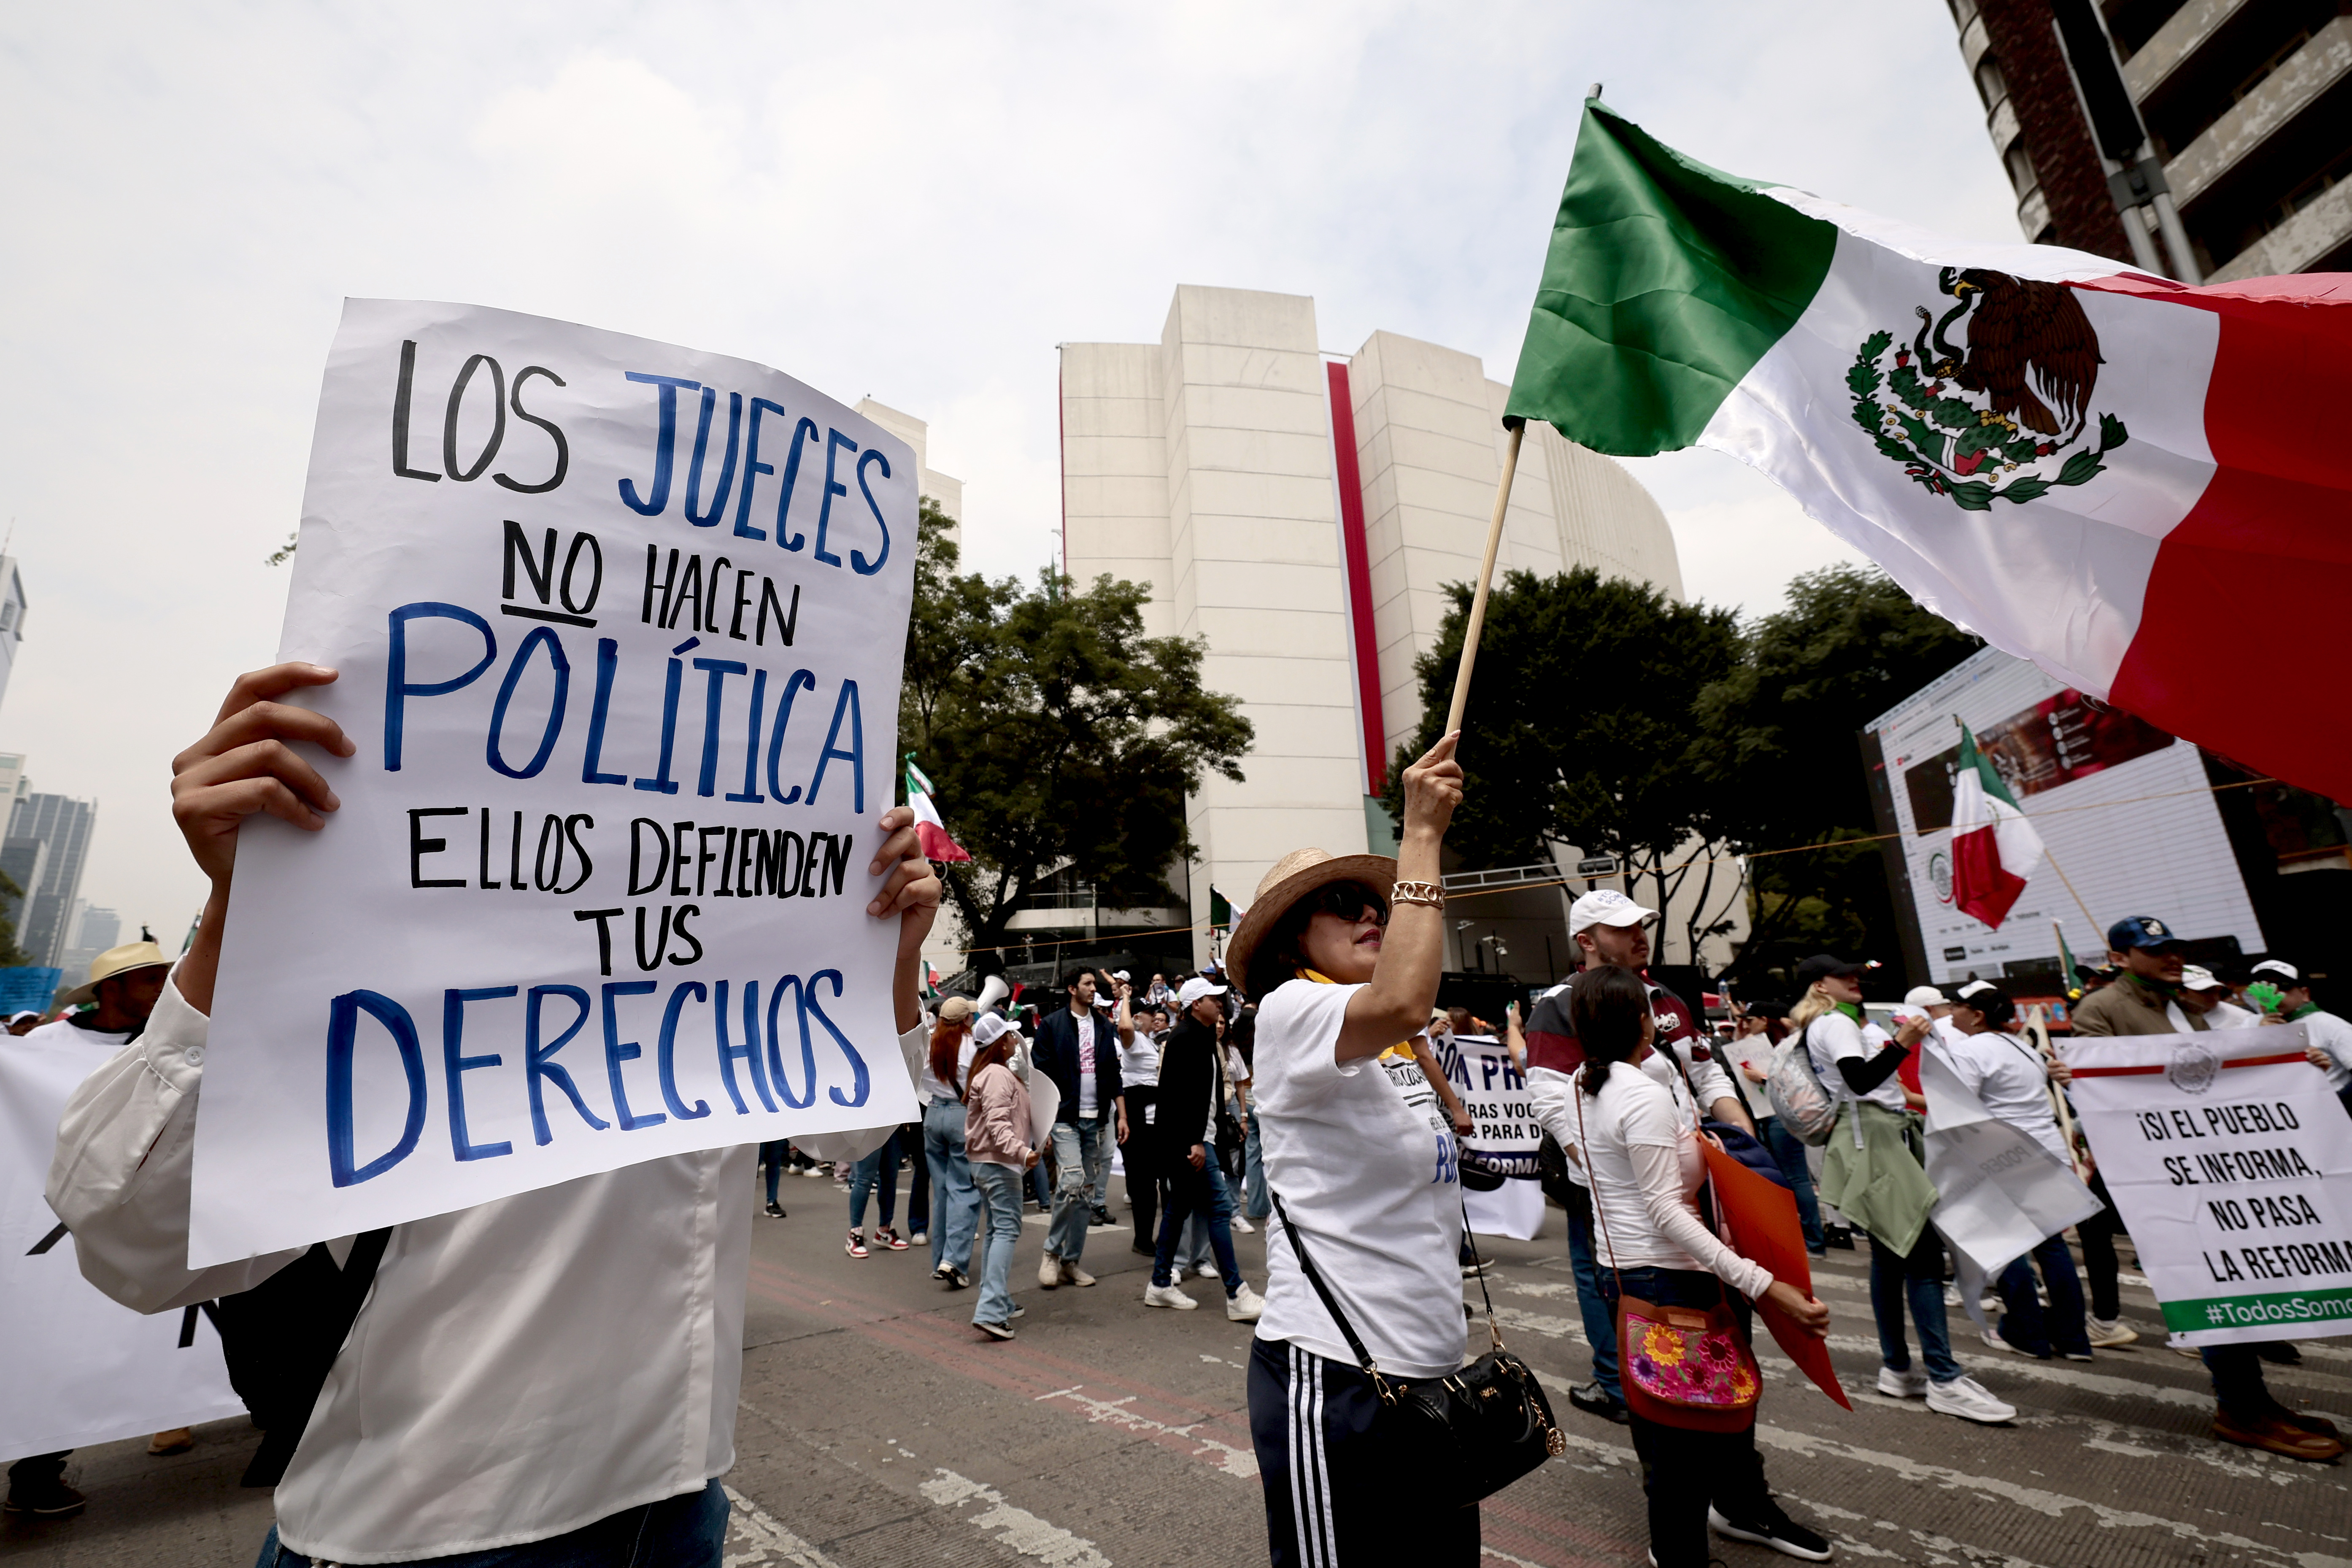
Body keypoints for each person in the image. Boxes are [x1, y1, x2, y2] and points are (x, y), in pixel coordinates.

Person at [47, 661, 943, 1565]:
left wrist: (888, 952)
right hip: (424, 1530)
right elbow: (138, 1241)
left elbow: (846, 1130)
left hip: (675, 1504)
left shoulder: (723, 946)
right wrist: (245, 902)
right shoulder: (383, 941)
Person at [1230, 735, 1482, 1566]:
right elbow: (1409, 995)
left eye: (1369, 898)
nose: (1370, 910)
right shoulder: (1290, 1011)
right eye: (1342, 899)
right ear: (1287, 940)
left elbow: (1407, 1018)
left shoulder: (1382, 1041)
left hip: (1431, 1372)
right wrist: (1420, 835)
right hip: (1335, 1378)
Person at [1566, 966, 1834, 1567]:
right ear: (1642, 1021)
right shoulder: (1637, 1094)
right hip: (1669, 1278)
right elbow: (1665, 1210)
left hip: (1628, 1273)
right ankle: (1679, 1555)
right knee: (1684, 1445)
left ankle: (1711, 1527)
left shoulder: (1583, 1084)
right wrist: (1763, 1284)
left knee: (1687, 1430)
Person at [2071, 921, 2344, 1460]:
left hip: (2216, 1170)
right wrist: (2076, 1076)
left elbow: (2219, 1078)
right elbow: (2105, 1087)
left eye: (2175, 949)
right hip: (2164, 1173)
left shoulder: (2187, 1007)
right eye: (2156, 951)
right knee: (2208, 1287)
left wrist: (2293, 1065)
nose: (2172, 958)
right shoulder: (2099, 1009)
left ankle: (2255, 1402)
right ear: (2120, 957)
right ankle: (2239, 1409)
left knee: (2234, 1283)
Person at [1523, 890, 1752, 1424]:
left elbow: (1705, 1072)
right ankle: (1621, 1382)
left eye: (1640, 925)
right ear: (1587, 941)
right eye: (1622, 928)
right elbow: (1550, 1099)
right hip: (1608, 1188)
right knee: (1614, 1281)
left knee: (1695, 1293)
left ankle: (1683, 1394)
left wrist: (1741, 1134)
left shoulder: (1666, 996)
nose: (1638, 935)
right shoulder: (1561, 1003)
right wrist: (1596, 1167)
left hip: (1691, 1169)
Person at [1795, 953, 2015, 1424]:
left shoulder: (1843, 1022)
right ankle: (1943, 1378)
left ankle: (1899, 1368)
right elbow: (1859, 1081)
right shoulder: (1835, 1024)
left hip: (1876, 1137)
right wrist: (1901, 1043)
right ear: (1820, 986)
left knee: (1893, 1258)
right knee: (1919, 1258)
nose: (1855, 978)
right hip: (1872, 1139)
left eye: (1854, 972)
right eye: (1844, 974)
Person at [4, 940, 179, 1519]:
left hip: (159, 1213)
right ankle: (37, 1474)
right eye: (150, 979)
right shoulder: (42, 1048)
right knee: (68, 1340)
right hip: (58, 1228)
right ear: (110, 991)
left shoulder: (171, 1041)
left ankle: (221, 1405)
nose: (162, 989)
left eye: (164, 978)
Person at [1940, 982, 2092, 1362]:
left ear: (1976, 1015)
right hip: (2045, 1150)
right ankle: (2073, 1338)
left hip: (2002, 1155)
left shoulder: (1969, 1049)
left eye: (1956, 1006)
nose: (1950, 1012)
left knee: (2009, 1245)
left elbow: (1961, 1108)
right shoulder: (2024, 1047)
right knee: (2052, 1246)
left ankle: (2027, 1333)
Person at [1143, 977, 1266, 1320]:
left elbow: (1206, 1093)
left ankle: (1159, 1283)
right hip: (1192, 1141)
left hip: (1201, 1138)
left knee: (1180, 1207)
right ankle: (1236, 1292)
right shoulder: (1185, 1038)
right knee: (1218, 1207)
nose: (1221, 1004)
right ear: (1196, 1004)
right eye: (1214, 999)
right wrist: (1195, 1140)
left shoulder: (1201, 1037)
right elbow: (1177, 1095)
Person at [1030, 968, 1129, 1288]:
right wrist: (1041, 1124)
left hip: (1097, 1119)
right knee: (1071, 1181)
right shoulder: (1052, 1025)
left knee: (1086, 1194)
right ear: (1072, 988)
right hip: (1064, 1119)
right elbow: (1040, 1077)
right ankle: (1051, 1253)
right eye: (1087, 983)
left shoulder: (1103, 1025)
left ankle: (1071, 1260)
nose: (1093, 988)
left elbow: (1114, 1073)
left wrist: (1122, 1116)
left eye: (1093, 984)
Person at [1727, 1001, 1825, 1254]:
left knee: (1796, 1177)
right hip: (1766, 1115)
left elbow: (1797, 1079)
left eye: (1752, 1019)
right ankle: (1805, 1236)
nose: (1747, 1024)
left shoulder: (1787, 1045)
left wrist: (1763, 1078)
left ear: (1765, 1019)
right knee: (1786, 1176)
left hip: (1782, 1115)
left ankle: (1814, 1240)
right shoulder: (1764, 1043)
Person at [964, 1014, 1037, 1340]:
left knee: (997, 1230)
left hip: (990, 1162)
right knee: (1005, 1230)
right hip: (999, 1163)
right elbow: (998, 1125)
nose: (1014, 1040)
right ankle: (991, 1309)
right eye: (1009, 1036)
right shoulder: (997, 1074)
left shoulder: (990, 1072)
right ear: (1000, 1042)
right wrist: (1022, 1152)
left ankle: (999, 1301)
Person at [920, 996, 982, 1287]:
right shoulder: (972, 1046)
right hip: (961, 1115)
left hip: (933, 1113)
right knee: (965, 1190)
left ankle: (940, 1261)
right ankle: (954, 1261)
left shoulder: (929, 1043)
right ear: (966, 1020)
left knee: (943, 1190)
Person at [2247, 959, 2352, 1115]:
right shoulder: (2249, 1024)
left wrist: (2338, 1103)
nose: (2272, 992)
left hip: (2329, 1110)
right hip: (2277, 1113)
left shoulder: (2327, 1024)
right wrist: (2260, 1037)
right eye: (2262, 986)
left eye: (2282, 985)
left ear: (2305, 994)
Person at [1115, 982, 1162, 1255]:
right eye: (1149, 1013)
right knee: (1145, 1185)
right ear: (1136, 1017)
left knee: (1150, 1182)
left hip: (1153, 1116)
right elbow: (1123, 1028)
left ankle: (1147, 1237)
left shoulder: (1149, 1041)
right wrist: (1124, 998)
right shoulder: (1131, 1040)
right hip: (1139, 1115)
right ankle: (1142, 1239)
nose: (1155, 1016)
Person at [845, 1129, 908, 1256]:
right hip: (869, 1125)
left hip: (892, 1124)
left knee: (890, 1177)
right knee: (865, 1179)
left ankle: (885, 1229)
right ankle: (855, 1232)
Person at [756, 1141, 791, 1219]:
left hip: (775, 1130)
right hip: (755, 1131)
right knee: (755, 1161)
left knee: (774, 1160)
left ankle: (772, 1202)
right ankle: (743, 1203)